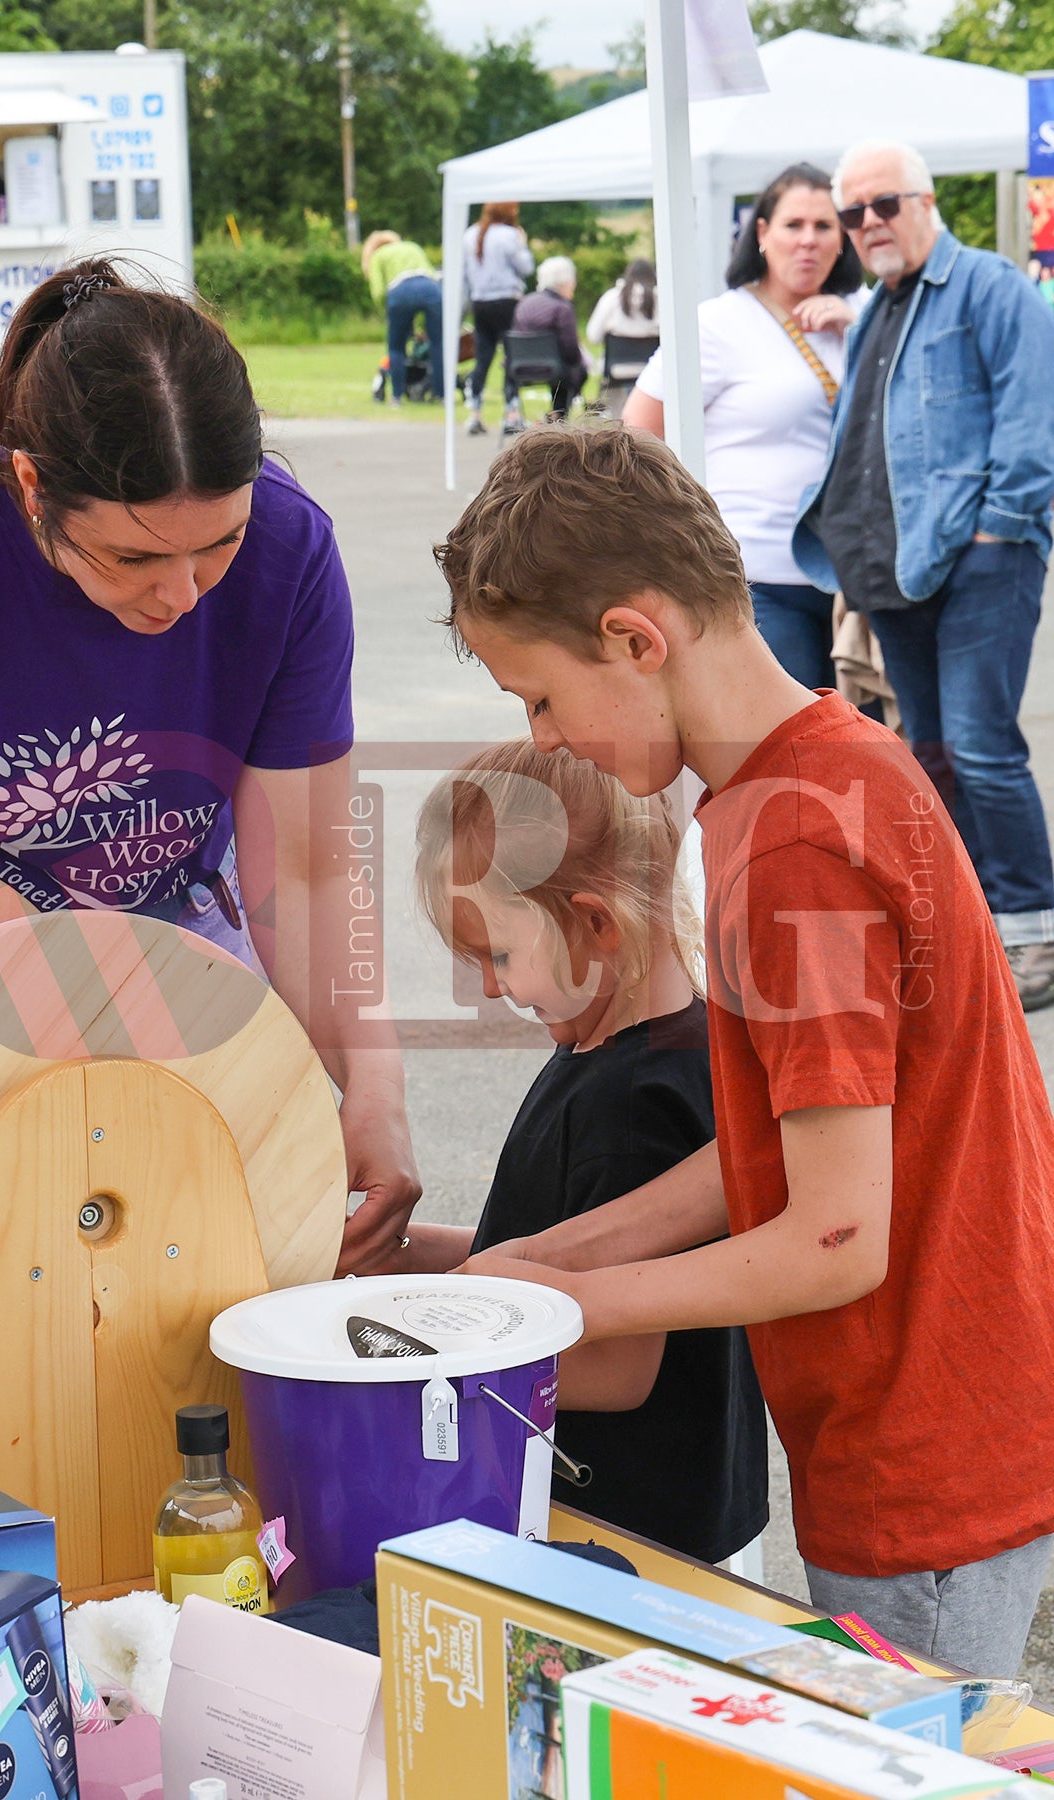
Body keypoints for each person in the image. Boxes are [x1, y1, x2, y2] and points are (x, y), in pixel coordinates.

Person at [434, 422, 1054, 1677]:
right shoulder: (831, 768)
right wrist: (546, 1257)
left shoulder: (787, 847)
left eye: (540, 698)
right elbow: (785, 1146)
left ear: (634, 638)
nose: (546, 741)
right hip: (965, 1412)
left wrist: (562, 1309)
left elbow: (835, 1233)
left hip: (918, 1459)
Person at [0, 257, 420, 1273]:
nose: (186, 597)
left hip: (181, 940)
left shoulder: (292, 550)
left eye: (220, 545)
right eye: (134, 559)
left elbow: (301, 875)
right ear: (31, 486)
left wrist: (372, 1088)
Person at [399, 737, 767, 1563]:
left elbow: (619, 1366)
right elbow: (561, 1258)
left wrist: (417, 1352)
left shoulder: (633, 1106)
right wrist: (412, 1256)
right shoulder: (639, 1051)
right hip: (682, 1517)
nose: (493, 988)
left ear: (595, 922)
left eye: (499, 955)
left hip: (639, 1542)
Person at [793, 139, 1054, 1012]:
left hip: (979, 562)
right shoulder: (880, 306)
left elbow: (1032, 412)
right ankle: (974, 918)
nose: (869, 224)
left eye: (884, 205)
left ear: (928, 201)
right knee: (929, 755)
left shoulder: (990, 288)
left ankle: (1032, 930)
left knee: (981, 746)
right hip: (890, 570)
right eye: (852, 214)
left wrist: (998, 531)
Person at [625, 164, 864, 693]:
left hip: (857, 580)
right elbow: (636, 437)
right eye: (793, 224)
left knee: (863, 750)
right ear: (761, 233)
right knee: (792, 750)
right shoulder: (716, 324)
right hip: (757, 577)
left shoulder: (867, 315)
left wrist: (858, 329)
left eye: (824, 226)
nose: (808, 240)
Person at [462, 202, 533, 438]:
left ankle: (474, 412)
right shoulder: (510, 235)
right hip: (507, 301)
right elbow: (526, 267)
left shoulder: (470, 234)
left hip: (480, 302)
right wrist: (522, 242)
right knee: (512, 357)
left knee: (483, 357)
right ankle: (510, 413)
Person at [361, 230, 444, 407]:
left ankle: (397, 396)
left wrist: (388, 310)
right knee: (437, 343)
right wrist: (421, 326)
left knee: (396, 347)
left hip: (399, 292)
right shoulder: (412, 246)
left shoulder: (377, 255)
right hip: (431, 289)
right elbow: (431, 275)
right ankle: (441, 395)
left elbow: (378, 292)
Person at [512, 256, 588, 420]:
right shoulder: (562, 308)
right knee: (577, 370)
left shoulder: (524, 302)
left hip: (519, 369)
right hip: (553, 369)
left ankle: (518, 415)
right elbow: (570, 349)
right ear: (564, 283)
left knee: (564, 369)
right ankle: (558, 416)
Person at [585, 256, 659, 345]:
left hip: (616, 358)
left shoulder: (611, 297)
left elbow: (593, 336)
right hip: (654, 358)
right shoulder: (661, 301)